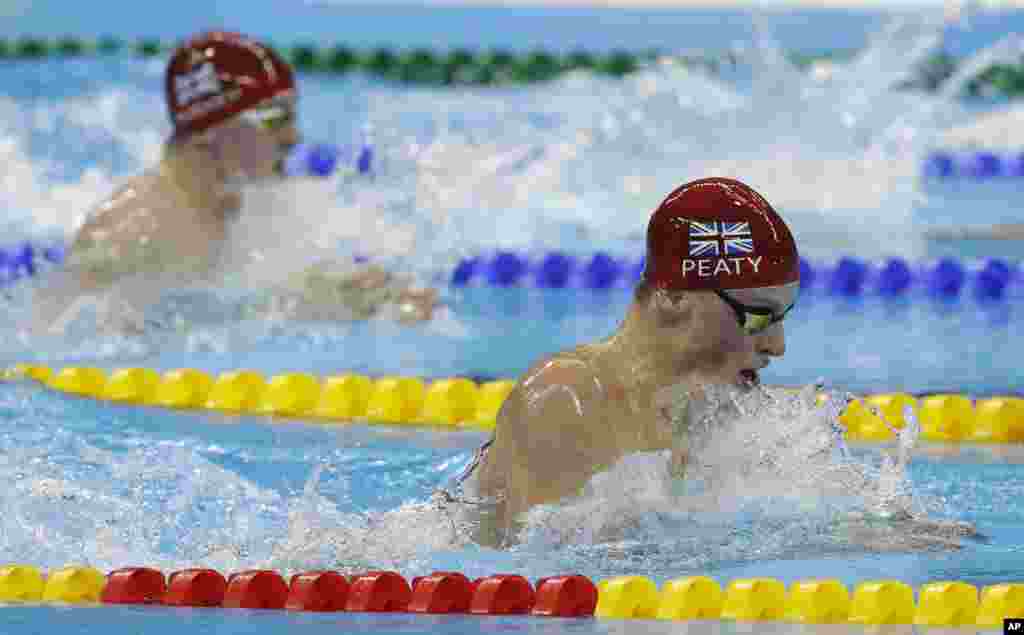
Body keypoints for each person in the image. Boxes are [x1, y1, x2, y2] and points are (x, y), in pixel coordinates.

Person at [456, 177, 802, 544]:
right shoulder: (564, 397)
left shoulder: (705, 415)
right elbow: (544, 582)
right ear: (674, 295)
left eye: (783, 318)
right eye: (759, 316)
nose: (777, 345)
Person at [39, 30, 437, 333]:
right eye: (275, 119)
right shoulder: (132, 232)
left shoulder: (232, 199)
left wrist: (363, 295)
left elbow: (257, 291)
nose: (294, 137)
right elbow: (58, 340)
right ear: (212, 130)